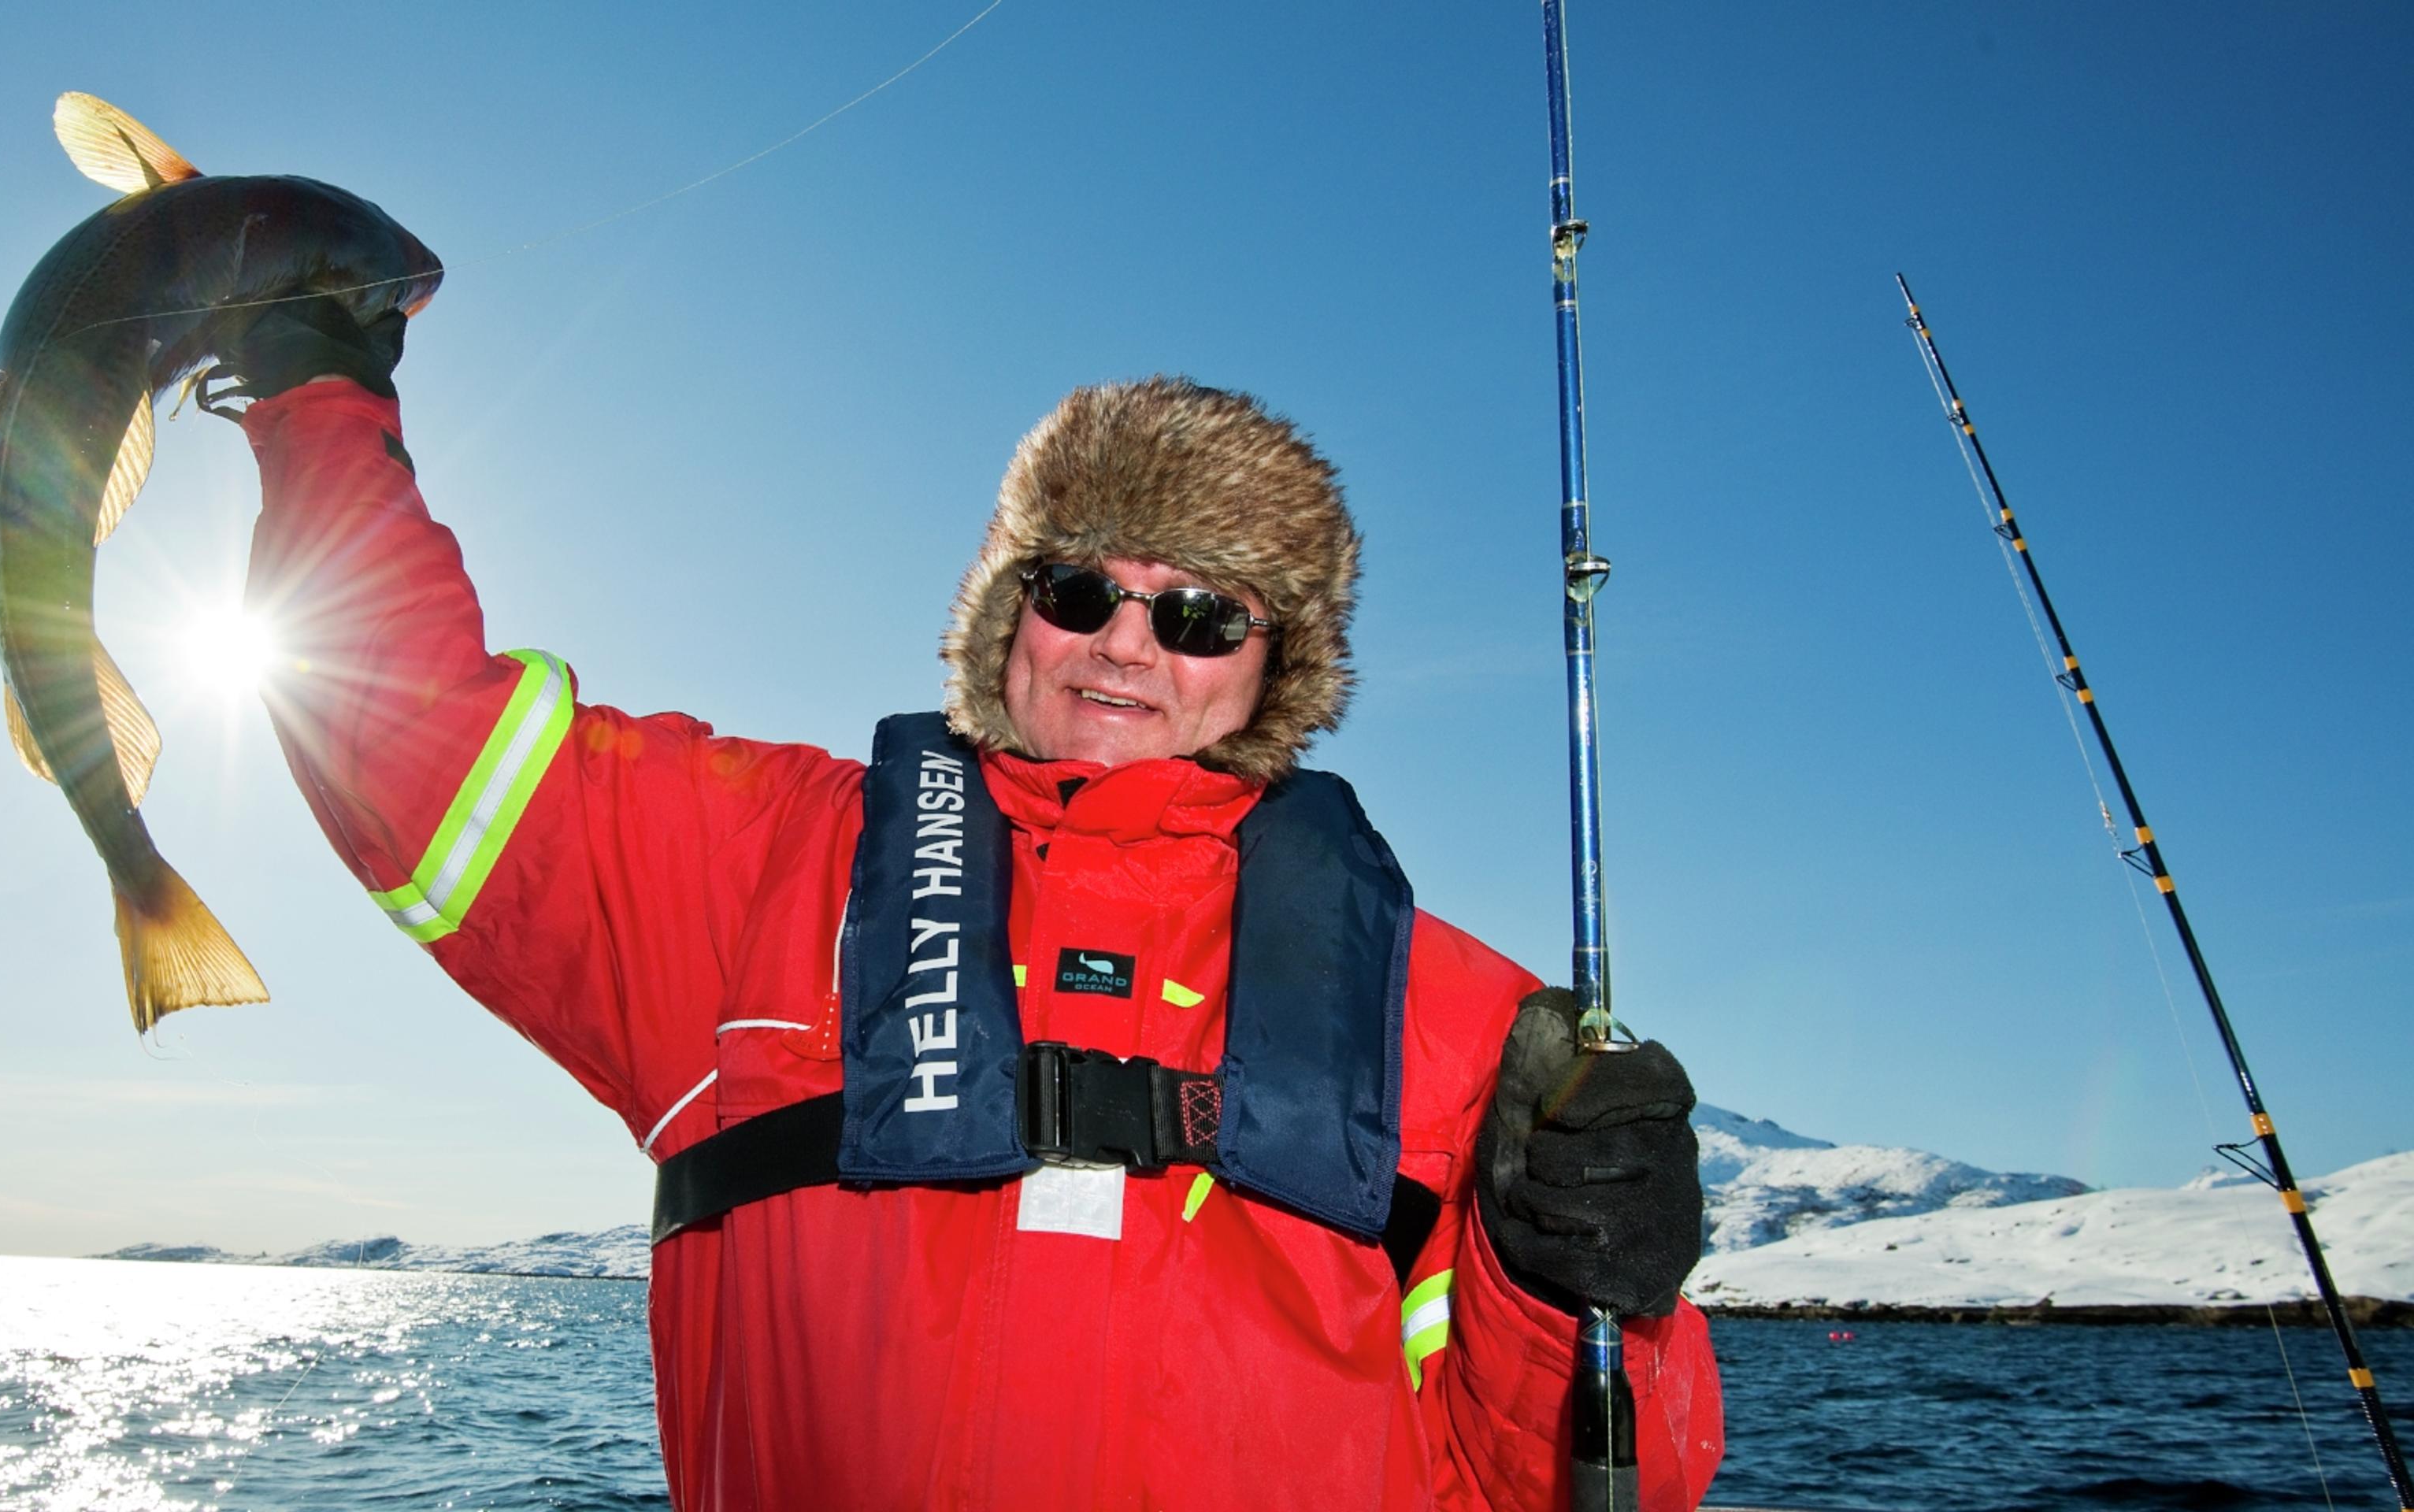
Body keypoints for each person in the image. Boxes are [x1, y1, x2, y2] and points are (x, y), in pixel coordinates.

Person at [214, 298, 1723, 1510]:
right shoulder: (759, 864)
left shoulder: (1464, 1020)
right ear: (1010, 609)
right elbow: (406, 738)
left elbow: (1588, 1486)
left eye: (1200, 614)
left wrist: (1585, 1288)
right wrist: (316, 386)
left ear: (1280, 662)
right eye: (1080, 590)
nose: (1126, 646)